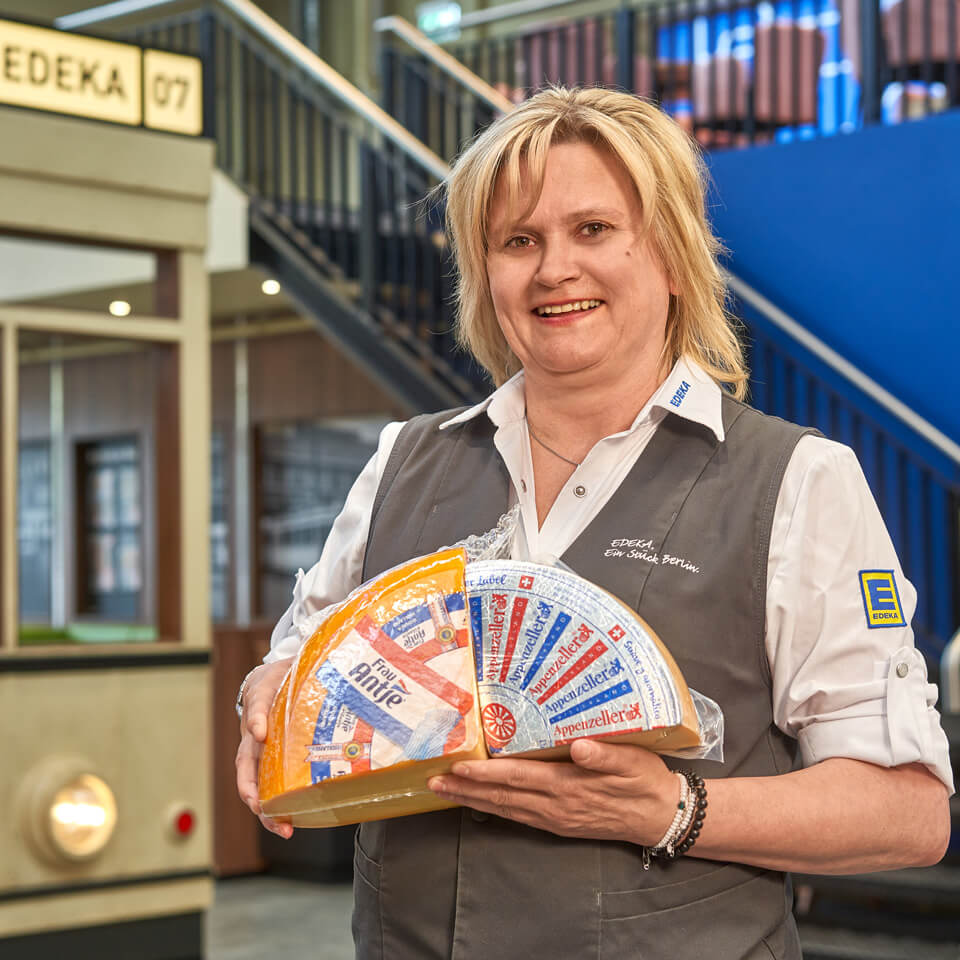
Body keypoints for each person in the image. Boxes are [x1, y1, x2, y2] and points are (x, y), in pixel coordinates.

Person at [236, 87, 953, 959]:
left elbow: (907, 814)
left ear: (673, 257)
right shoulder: (400, 463)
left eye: (594, 230)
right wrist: (270, 693)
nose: (554, 270)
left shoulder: (798, 482)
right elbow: (302, 661)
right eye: (518, 240)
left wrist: (674, 809)